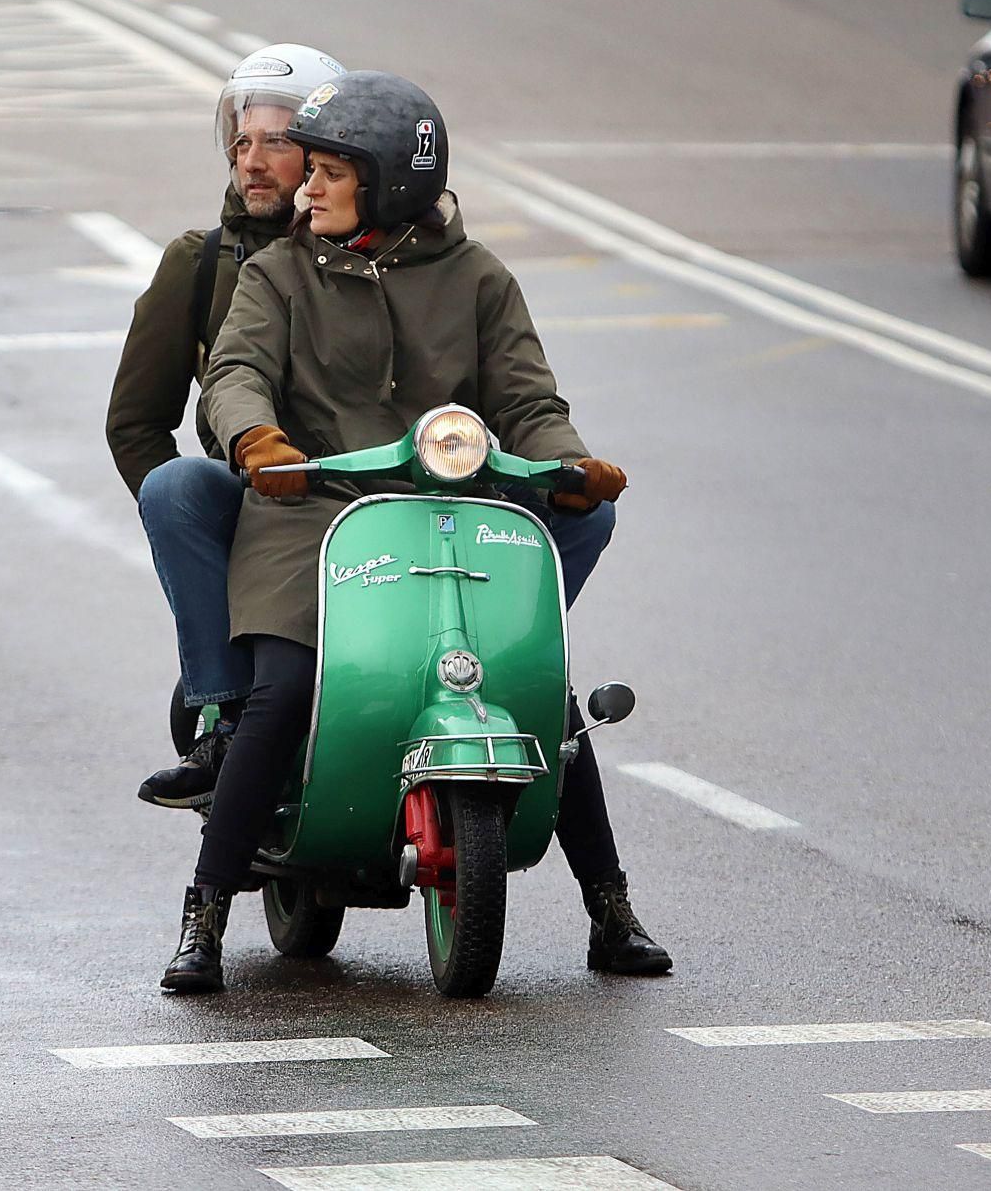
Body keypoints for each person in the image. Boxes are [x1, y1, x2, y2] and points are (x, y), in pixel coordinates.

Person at [161, 71, 671, 993]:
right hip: (311, 509)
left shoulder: (479, 278)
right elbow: (233, 372)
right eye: (306, 170)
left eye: (328, 172)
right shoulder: (278, 271)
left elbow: (527, 400)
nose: (306, 187)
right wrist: (256, 438)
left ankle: (612, 910)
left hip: (456, 508)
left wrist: (572, 463)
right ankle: (204, 913)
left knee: (540, 693)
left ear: (387, 184)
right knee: (282, 687)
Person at [105, 44, 347, 810]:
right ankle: (221, 714)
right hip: (257, 501)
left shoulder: (371, 250)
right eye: (242, 142)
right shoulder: (200, 261)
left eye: (277, 140)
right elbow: (136, 424)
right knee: (177, 484)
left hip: (370, 497)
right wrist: (203, 540)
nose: (253, 161)